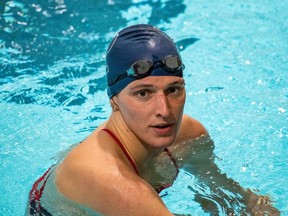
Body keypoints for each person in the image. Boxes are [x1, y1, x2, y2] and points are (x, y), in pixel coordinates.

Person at [26, 24, 280, 216]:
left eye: (173, 89)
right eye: (143, 93)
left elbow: (225, 197)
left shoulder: (190, 135)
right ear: (113, 100)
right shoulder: (119, 187)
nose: (165, 111)